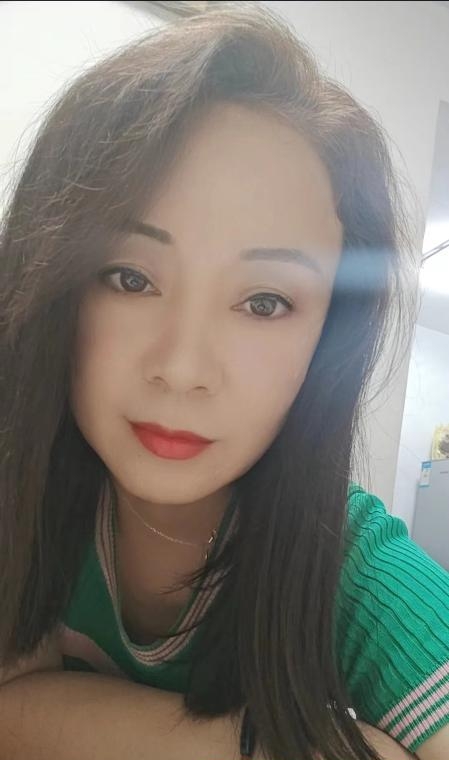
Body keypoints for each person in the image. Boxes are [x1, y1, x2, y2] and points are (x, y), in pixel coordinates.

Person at [0, 4, 447, 760]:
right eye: (130, 277)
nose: (181, 368)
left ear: (327, 339)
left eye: (264, 302)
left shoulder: (355, 575)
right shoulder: (21, 495)